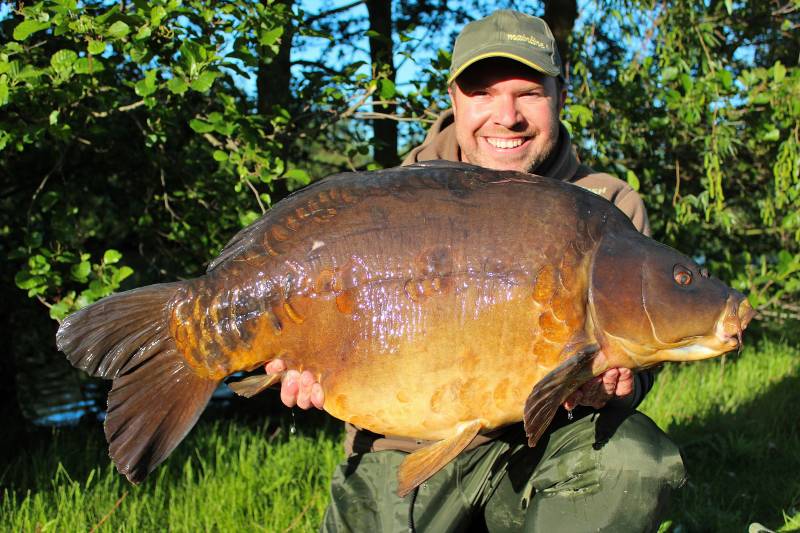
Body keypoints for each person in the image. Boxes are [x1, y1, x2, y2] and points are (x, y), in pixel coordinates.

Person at [268, 10, 686, 532]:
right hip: (405, 448)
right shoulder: (394, 201)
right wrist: (302, 359)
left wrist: (620, 383)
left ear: (561, 95)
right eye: (483, 92)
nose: (505, 115)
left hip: (550, 444)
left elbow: (643, 348)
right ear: (454, 100)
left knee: (631, 461)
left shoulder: (605, 206)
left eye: (528, 93)